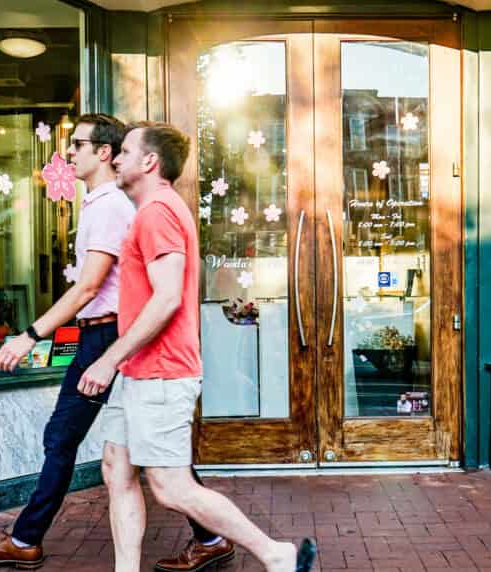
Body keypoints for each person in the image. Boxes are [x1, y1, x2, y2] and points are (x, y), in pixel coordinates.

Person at [0, 114, 229, 571]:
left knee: (71, 439)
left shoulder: (111, 207)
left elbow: (89, 287)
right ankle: (211, 535)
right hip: (106, 334)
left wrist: (30, 335)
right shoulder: (104, 204)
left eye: (79, 144)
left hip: (109, 336)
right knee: (136, 455)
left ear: (104, 153)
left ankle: (27, 538)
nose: (69, 152)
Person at [76, 121, 316, 572]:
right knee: (116, 467)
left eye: (125, 151)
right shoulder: (153, 210)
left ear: (149, 162)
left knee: (170, 487)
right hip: (140, 372)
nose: (117, 158)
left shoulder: (157, 212)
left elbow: (167, 297)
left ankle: (276, 554)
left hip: (161, 373)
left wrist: (109, 359)